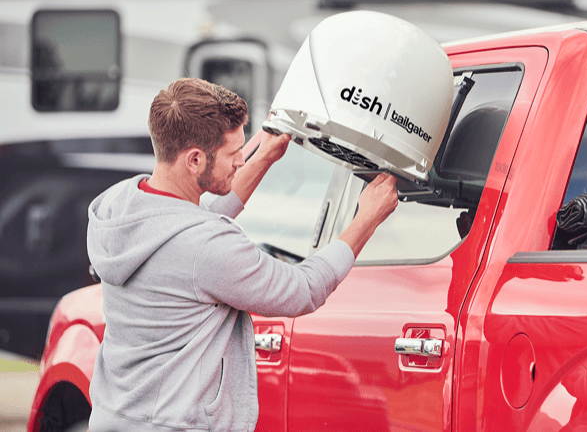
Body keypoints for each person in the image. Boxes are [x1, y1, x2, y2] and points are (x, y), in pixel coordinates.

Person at [86, 78, 398, 432]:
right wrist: (367, 218)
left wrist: (264, 156)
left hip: (114, 419)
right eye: (234, 153)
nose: (240, 161)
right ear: (194, 160)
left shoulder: (118, 207)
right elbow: (302, 290)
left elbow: (196, 222)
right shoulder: (207, 245)